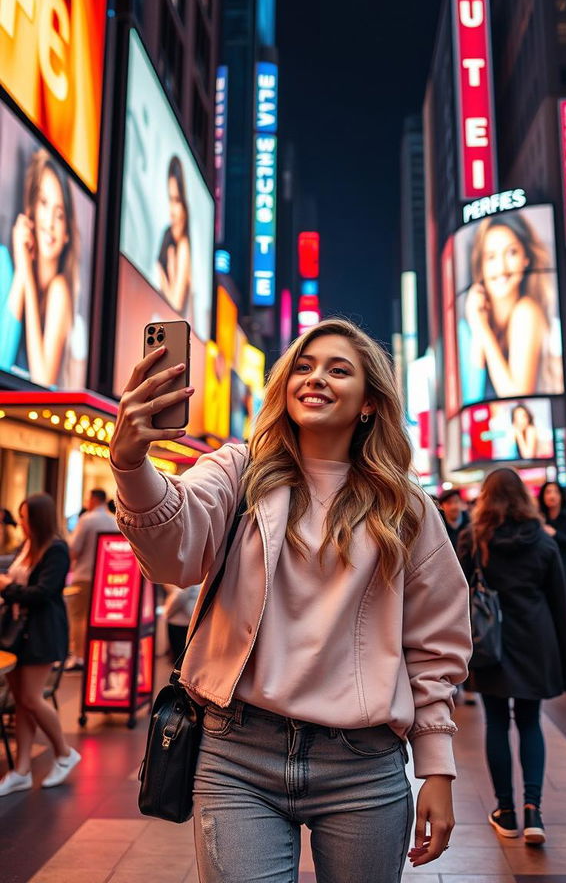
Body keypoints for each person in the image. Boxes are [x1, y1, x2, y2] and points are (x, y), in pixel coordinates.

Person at [110, 317, 472, 881]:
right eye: (302, 366)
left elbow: (435, 646)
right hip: (236, 753)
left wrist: (438, 768)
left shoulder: (406, 507)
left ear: (370, 402)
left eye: (338, 369)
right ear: (284, 386)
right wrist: (131, 465)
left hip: (363, 762)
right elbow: (172, 556)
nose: (315, 377)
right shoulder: (238, 470)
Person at [458, 468, 566, 846]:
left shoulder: (474, 539)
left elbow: (456, 597)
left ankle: (505, 811)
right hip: (535, 641)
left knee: (496, 723)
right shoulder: (543, 542)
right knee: (529, 722)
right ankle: (533, 811)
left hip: (491, 642)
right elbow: (561, 606)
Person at [0, 493, 81, 796]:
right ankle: (20, 770)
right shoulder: (27, 546)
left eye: (24, 518)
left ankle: (64, 752)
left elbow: (43, 593)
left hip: (40, 633)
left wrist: (8, 587)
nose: (20, 523)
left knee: (31, 698)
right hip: (14, 632)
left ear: (38, 519)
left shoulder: (56, 549)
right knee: (21, 701)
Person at [460, 211, 563, 402]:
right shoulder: (477, 319)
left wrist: (481, 328)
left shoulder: (526, 311)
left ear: (527, 259)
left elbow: (516, 397)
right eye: (491, 257)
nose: (502, 268)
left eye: (511, 252)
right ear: (480, 266)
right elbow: (470, 394)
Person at [4, 149, 79, 387]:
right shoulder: (5, 265)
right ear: (31, 211)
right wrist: (22, 271)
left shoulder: (60, 290)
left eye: (59, 215)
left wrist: (25, 269)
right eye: (44, 204)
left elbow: (42, 381)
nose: (49, 222)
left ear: (67, 232)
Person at [65, 488, 117, 671]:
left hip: (84, 576)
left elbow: (73, 549)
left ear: (93, 499)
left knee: (79, 617)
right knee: (99, 618)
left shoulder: (87, 519)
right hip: (107, 577)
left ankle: (79, 656)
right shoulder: (113, 519)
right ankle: (97, 656)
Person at [538, 481, 566, 678]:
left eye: (555, 491)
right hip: (546, 576)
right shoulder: (539, 518)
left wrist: (555, 533)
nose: (552, 495)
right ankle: (558, 664)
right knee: (553, 619)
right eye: (548, 492)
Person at [156, 155, 192, 317]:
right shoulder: (167, 236)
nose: (172, 210)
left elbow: (176, 304)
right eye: (170, 199)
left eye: (177, 200)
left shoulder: (184, 245)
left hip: (174, 333)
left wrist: (162, 277)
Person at [163, 583, 202, 661]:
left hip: (179, 622)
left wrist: (167, 613)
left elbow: (180, 595)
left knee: (179, 654)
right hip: (189, 621)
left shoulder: (183, 579)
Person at [439, 488, 470, 553]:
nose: (453, 506)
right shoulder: (439, 527)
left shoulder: (471, 523)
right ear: (441, 506)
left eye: (456, 501)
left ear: (461, 503)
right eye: (449, 503)